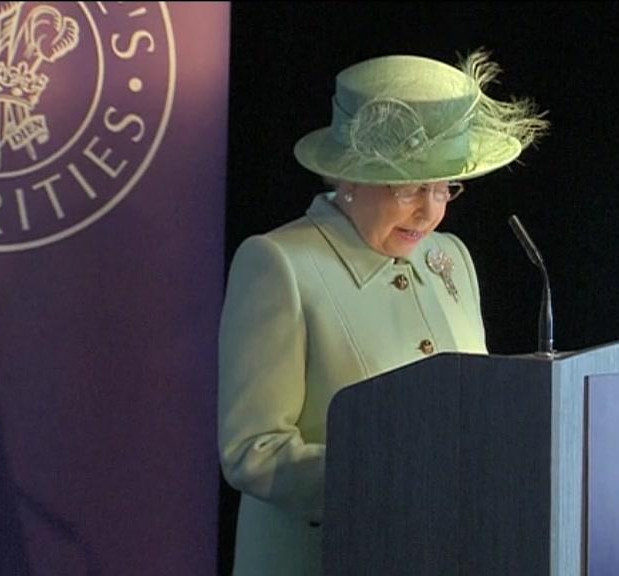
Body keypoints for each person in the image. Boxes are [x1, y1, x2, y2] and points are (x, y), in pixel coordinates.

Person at [217, 49, 548, 575]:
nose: (431, 210)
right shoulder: (278, 263)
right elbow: (251, 451)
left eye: (444, 187)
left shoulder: (451, 258)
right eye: (411, 186)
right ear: (349, 176)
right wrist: (396, 482)